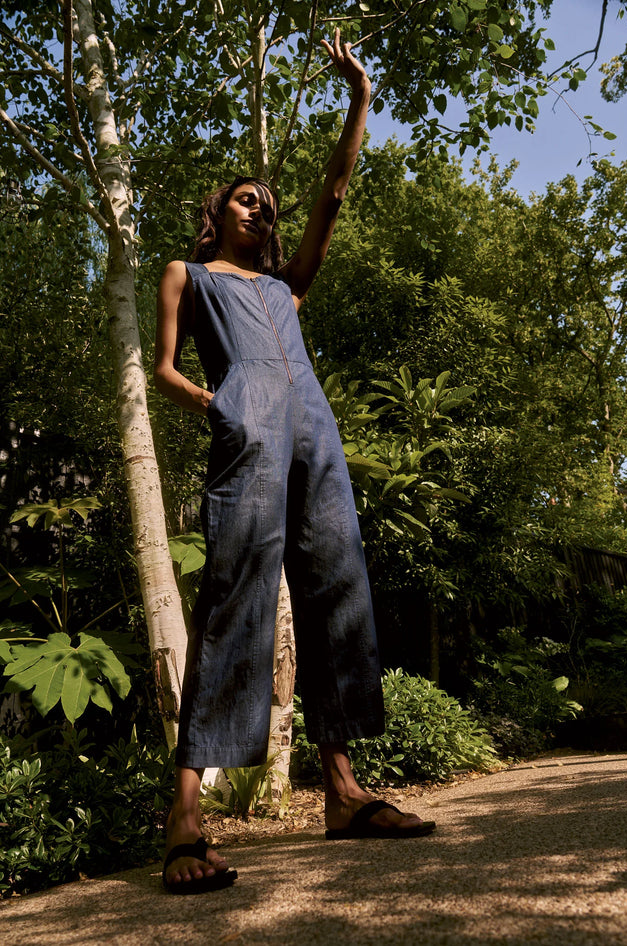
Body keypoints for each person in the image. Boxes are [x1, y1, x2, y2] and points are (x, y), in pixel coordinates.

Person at [154, 31, 436, 895]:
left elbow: (335, 190)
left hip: (315, 435)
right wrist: (217, 404)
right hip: (250, 436)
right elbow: (161, 369)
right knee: (233, 597)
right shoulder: (188, 276)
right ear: (219, 211)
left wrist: (359, 95)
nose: (259, 209)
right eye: (245, 199)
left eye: (267, 204)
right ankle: (186, 816)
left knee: (337, 588)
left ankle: (343, 792)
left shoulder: (287, 287)